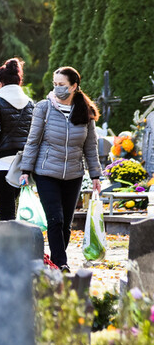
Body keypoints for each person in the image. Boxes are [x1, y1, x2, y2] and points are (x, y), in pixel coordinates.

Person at [18, 66, 102, 272]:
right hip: (46, 172)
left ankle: (57, 260)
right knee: (55, 219)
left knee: (65, 223)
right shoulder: (44, 108)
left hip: (73, 174)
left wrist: (96, 175)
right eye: (55, 85)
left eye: (62, 85)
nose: (57, 89)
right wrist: (25, 171)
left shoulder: (85, 111)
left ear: (74, 86)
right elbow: (33, 141)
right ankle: (60, 263)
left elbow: (90, 146)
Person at [0, 58, 34, 220]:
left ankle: (8, 243)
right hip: (22, 163)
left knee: (5, 210)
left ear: (1, 83)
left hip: (1, 161)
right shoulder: (30, 103)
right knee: (19, 208)